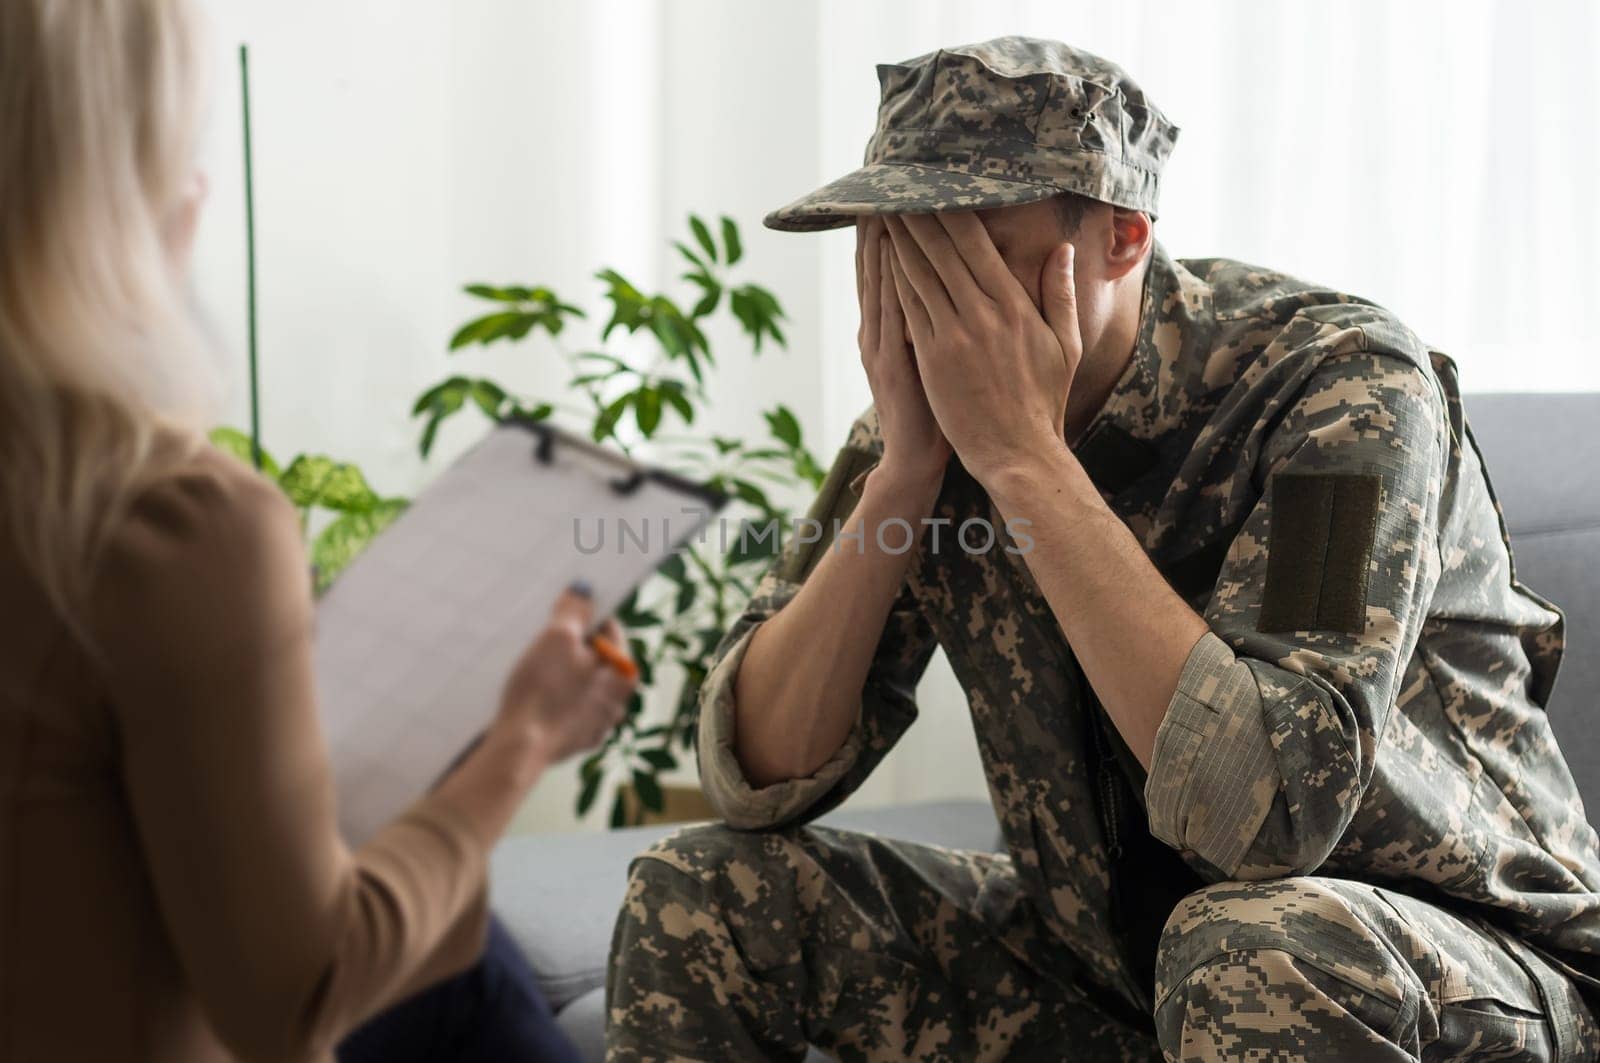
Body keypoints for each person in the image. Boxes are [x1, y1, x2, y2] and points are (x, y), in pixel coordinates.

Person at [606, 35, 1600, 1061]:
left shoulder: (1339, 389)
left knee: (1249, 949)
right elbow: (755, 775)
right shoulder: (920, 433)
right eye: (903, 252)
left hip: (1456, 970)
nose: (937, 306)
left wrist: (1026, 461)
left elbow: (1267, 818)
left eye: (973, 253)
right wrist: (902, 474)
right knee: (706, 891)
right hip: (1116, 969)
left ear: (1122, 236)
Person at [0, 2, 632, 1060]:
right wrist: (524, 733)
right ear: (109, 185)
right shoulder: (161, 520)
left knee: (465, 960)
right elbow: (295, 998)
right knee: (466, 977)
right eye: (177, 141)